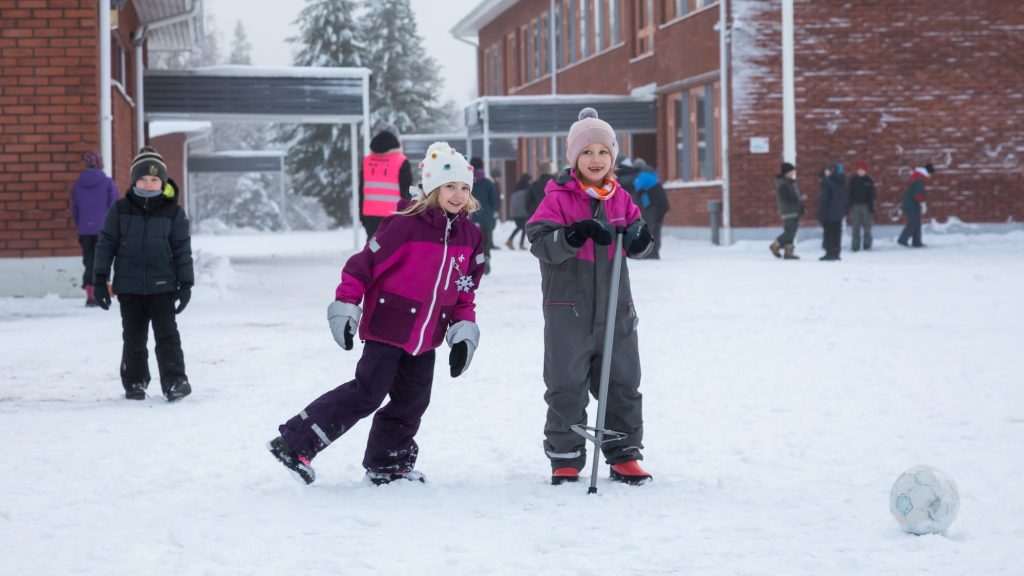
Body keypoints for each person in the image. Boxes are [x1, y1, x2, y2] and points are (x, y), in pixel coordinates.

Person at [267, 142, 485, 486]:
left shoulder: (470, 236)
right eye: (449, 186)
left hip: (427, 338)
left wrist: (463, 333)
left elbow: (465, 290)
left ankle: (388, 463)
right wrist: (346, 307)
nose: (457, 194)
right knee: (367, 392)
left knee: (413, 402)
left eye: (463, 187)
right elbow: (361, 267)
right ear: (431, 188)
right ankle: (294, 443)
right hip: (389, 325)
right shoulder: (404, 225)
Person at [526, 108, 655, 486]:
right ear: (574, 158)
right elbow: (539, 244)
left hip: (617, 307)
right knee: (566, 382)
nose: (595, 160)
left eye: (603, 152)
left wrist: (640, 239)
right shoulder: (558, 199)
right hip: (570, 309)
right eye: (587, 152)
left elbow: (639, 237)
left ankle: (625, 454)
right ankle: (565, 456)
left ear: (612, 157)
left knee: (622, 382)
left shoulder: (621, 199)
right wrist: (572, 234)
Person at [92, 146, 194, 401]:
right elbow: (106, 244)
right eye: (143, 179)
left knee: (167, 336)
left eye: (154, 179)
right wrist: (99, 280)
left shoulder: (174, 212)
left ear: (162, 181)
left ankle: (175, 381)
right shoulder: (120, 209)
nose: (148, 184)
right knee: (134, 337)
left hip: (163, 286)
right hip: (129, 287)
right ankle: (135, 381)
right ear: (135, 180)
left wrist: (186, 284)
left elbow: (182, 250)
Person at [71, 152, 120, 307]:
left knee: (89, 261)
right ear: (100, 163)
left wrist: (81, 225)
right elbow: (115, 206)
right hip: (104, 230)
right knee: (103, 262)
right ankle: (101, 294)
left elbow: (75, 209)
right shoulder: (107, 183)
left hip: (85, 231)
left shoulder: (78, 184)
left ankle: (90, 297)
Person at [358, 123, 412, 239]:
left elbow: (362, 191)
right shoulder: (401, 161)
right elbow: (406, 192)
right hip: (394, 217)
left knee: (373, 249)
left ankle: (374, 256)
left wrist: (362, 216)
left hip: (371, 217)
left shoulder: (367, 161)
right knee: (393, 249)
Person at [631, 159, 670, 259]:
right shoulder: (651, 174)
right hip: (661, 205)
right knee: (656, 228)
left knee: (648, 228)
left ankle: (647, 253)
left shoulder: (643, 176)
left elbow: (634, 188)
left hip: (654, 205)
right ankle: (654, 253)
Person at [470, 156, 500, 272]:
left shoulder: (467, 183)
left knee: (475, 242)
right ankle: (486, 257)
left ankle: (478, 261)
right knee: (486, 241)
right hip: (486, 217)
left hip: (472, 217)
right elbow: (494, 200)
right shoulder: (488, 183)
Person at [770, 162, 803, 260]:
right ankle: (775, 245)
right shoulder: (783, 183)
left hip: (794, 210)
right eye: (791, 171)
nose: (793, 173)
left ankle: (788, 252)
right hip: (788, 210)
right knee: (790, 231)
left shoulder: (790, 182)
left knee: (792, 231)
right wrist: (798, 199)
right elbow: (787, 197)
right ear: (786, 172)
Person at [898, 163, 934, 248]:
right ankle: (902, 240)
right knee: (913, 223)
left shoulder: (916, 177)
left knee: (917, 223)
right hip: (912, 205)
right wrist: (922, 203)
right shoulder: (919, 180)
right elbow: (917, 194)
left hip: (911, 205)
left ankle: (917, 242)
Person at [817, 162, 848, 261]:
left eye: (827, 170)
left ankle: (829, 252)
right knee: (836, 233)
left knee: (829, 233)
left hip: (829, 212)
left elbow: (825, 199)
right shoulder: (841, 181)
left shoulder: (828, 182)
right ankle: (836, 252)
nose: (825, 171)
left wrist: (821, 213)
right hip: (838, 212)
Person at [847, 161, 876, 251]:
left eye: (862, 170)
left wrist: (872, 207)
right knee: (855, 227)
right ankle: (855, 245)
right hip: (855, 206)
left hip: (866, 206)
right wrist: (849, 205)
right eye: (859, 169)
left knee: (867, 227)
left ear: (865, 171)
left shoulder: (869, 181)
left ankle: (867, 244)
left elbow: (872, 195)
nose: (860, 171)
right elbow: (849, 193)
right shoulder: (853, 180)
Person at [506, 173, 531, 249]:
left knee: (520, 226)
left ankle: (510, 240)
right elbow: (528, 200)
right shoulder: (528, 187)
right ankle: (520, 244)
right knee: (523, 227)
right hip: (523, 211)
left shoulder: (516, 187)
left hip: (515, 211)